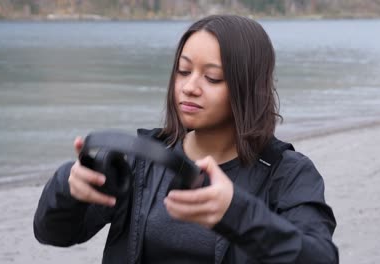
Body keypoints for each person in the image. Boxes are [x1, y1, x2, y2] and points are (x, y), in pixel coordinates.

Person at [34, 15, 338, 263]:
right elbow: (53, 233)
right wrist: (67, 186)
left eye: (212, 77)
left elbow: (320, 257)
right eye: (183, 71)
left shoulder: (289, 174)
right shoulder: (143, 160)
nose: (190, 87)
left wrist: (236, 212)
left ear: (248, 86)